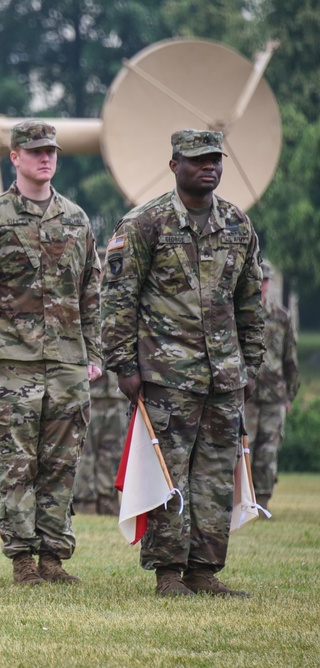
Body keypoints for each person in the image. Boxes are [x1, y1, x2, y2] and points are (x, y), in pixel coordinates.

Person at [101, 129, 265, 598]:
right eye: (198, 160)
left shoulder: (237, 223)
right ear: (175, 165)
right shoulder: (144, 223)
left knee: (215, 475)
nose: (209, 167)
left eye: (215, 159)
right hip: (165, 375)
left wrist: (250, 365)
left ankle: (204, 570)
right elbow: (118, 300)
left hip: (223, 376)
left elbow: (250, 301)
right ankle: (168, 572)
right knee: (168, 474)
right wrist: (124, 366)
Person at [0, 120, 101, 586]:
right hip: (12, 360)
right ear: (15, 158)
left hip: (67, 360)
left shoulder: (77, 218)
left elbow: (90, 291)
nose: (46, 158)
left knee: (63, 462)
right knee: (18, 462)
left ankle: (54, 557)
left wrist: (94, 352)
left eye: (52, 151)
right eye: (36, 151)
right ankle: (23, 558)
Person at [243, 260, 298, 511]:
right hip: (247, 395)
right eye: (259, 280)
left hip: (274, 395)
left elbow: (290, 360)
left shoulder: (281, 317)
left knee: (268, 451)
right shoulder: (242, 315)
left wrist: (290, 395)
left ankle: (262, 503)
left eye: (266, 281)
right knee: (245, 448)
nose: (262, 285)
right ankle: (243, 503)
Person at [73, 367, 129, 516]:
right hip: (89, 390)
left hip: (118, 392)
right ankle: (84, 503)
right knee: (84, 451)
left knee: (114, 452)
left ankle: (108, 501)